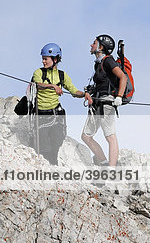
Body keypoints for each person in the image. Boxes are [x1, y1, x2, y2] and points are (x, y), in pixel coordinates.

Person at [31, 43, 84, 165]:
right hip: (41, 114)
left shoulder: (62, 75)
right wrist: (52, 86)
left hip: (55, 113)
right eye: (43, 59)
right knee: (43, 148)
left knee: (57, 145)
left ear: (55, 59)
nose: (43, 61)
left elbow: (73, 91)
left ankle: (55, 168)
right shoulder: (38, 72)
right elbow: (38, 84)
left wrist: (84, 94)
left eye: (46, 59)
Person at [81, 34, 127, 167]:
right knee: (86, 136)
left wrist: (119, 96)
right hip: (97, 102)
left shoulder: (108, 61)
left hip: (107, 102)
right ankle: (104, 162)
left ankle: (112, 169)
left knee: (110, 136)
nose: (91, 45)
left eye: (94, 43)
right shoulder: (99, 64)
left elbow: (122, 77)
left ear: (101, 47)